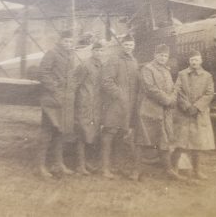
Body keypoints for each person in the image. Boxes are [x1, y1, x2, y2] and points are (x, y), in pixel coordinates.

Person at [134, 44, 184, 181]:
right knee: (143, 140)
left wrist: (172, 98)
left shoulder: (166, 70)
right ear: (155, 55)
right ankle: (136, 171)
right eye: (160, 55)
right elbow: (150, 89)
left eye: (165, 56)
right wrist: (168, 100)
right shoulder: (147, 69)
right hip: (148, 110)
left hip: (163, 111)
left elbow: (172, 88)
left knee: (164, 140)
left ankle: (168, 170)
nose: (163, 58)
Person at [37, 30, 76, 178]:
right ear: (60, 40)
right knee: (46, 133)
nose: (68, 44)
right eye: (66, 41)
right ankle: (41, 167)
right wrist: (55, 88)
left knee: (60, 132)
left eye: (71, 42)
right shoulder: (52, 53)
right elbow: (42, 73)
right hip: (51, 99)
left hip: (64, 100)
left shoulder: (69, 56)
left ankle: (59, 164)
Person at [172, 49, 215, 180]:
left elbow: (209, 93)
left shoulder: (207, 76)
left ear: (201, 61)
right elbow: (177, 91)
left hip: (198, 114)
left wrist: (196, 107)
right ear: (189, 61)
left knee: (198, 143)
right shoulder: (182, 74)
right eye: (192, 60)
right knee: (179, 143)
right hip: (183, 114)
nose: (194, 62)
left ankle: (197, 171)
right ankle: (174, 169)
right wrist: (186, 106)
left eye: (196, 60)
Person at [101, 34, 139, 179]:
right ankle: (105, 169)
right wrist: (120, 94)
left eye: (131, 45)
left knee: (121, 135)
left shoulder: (134, 61)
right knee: (109, 134)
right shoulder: (114, 60)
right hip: (115, 104)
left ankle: (117, 167)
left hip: (128, 106)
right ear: (121, 45)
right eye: (126, 44)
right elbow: (106, 81)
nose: (128, 47)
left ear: (133, 46)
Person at [74, 42, 104, 175]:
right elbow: (76, 84)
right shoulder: (85, 65)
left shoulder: (102, 66)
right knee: (82, 133)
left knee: (92, 133)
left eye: (101, 51)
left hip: (95, 105)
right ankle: (80, 165)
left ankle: (87, 163)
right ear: (92, 51)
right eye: (96, 50)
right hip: (84, 104)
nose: (99, 53)